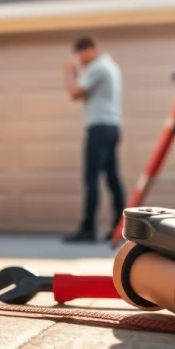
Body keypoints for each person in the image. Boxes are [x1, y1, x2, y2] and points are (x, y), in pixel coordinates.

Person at [62, 36, 125, 243]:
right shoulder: (111, 66)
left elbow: (75, 93)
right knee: (112, 178)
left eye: (80, 55)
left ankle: (88, 229)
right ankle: (120, 228)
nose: (79, 60)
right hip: (112, 127)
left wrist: (70, 75)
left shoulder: (97, 68)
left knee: (91, 179)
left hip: (99, 127)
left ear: (88, 50)